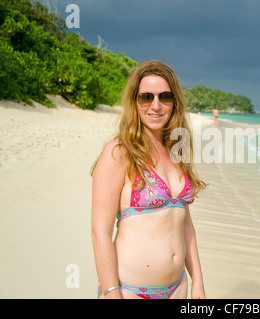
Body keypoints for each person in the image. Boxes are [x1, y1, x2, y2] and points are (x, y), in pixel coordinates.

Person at [91, 60, 207, 299]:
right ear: (135, 101)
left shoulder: (178, 150)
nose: (156, 106)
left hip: (178, 288)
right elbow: (99, 232)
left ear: (175, 103)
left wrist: (198, 282)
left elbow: (184, 223)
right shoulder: (118, 152)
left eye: (165, 97)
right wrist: (112, 293)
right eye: (146, 97)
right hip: (129, 290)